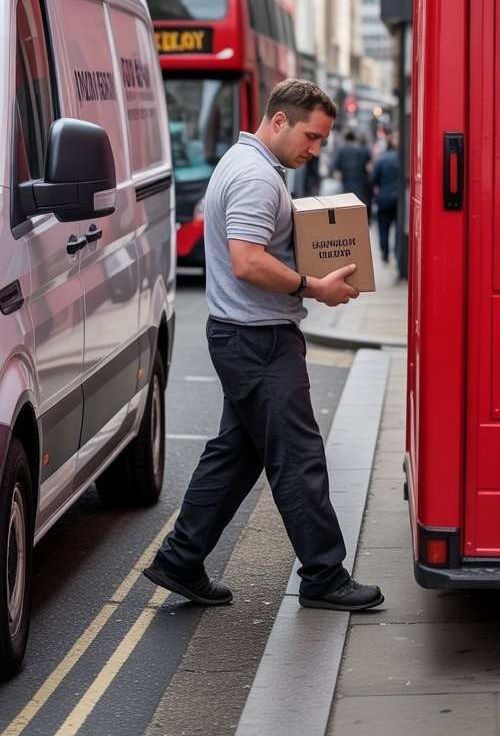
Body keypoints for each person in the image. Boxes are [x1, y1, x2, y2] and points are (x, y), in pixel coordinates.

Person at [144, 79, 384, 612]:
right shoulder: (255, 176)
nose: (316, 148)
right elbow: (247, 261)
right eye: (311, 136)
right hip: (258, 339)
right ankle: (323, 575)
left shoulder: (245, 163)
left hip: (246, 335)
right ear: (278, 121)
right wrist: (312, 286)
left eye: (322, 140)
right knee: (297, 457)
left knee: (237, 454)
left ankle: (180, 560)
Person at [371, 135, 401, 264]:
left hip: (384, 198)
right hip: (400, 200)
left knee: (383, 228)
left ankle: (385, 254)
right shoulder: (402, 159)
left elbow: (374, 180)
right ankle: (398, 254)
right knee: (399, 229)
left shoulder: (381, 160)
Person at [331, 129, 372, 206]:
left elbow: (335, 169)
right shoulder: (362, 150)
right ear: (355, 138)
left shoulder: (341, 150)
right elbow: (368, 168)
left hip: (346, 184)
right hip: (361, 183)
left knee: (348, 206)